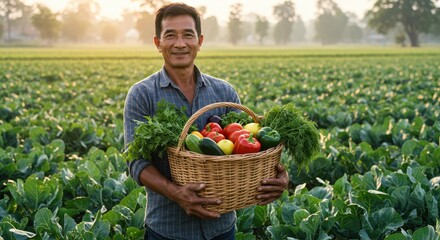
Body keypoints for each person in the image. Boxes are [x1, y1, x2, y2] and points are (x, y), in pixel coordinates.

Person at [123, 3, 289, 240]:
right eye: (170, 35)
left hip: (221, 229)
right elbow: (135, 162)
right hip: (167, 229)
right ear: (158, 43)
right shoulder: (142, 94)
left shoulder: (224, 92)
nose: (180, 43)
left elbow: (247, 151)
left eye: (188, 35)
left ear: (199, 41)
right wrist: (177, 193)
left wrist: (279, 175)